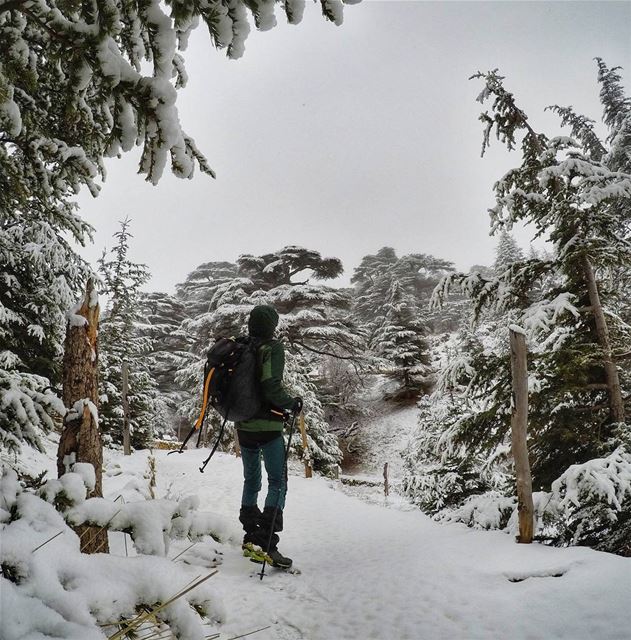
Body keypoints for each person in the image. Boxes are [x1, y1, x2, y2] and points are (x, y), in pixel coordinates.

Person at [237, 304, 302, 568]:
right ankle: (267, 541)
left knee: (251, 480)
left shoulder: (242, 347)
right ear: (271, 325)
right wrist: (292, 402)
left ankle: (250, 535)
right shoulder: (271, 348)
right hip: (268, 426)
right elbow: (270, 385)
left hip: (243, 425)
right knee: (278, 481)